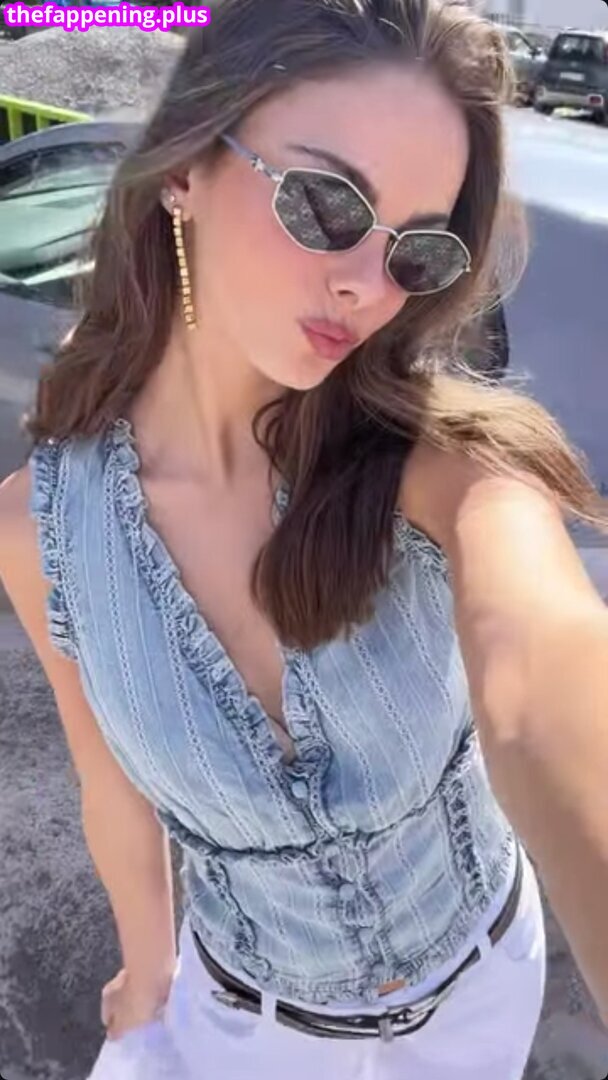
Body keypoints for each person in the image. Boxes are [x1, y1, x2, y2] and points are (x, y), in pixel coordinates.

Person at [1, 2, 608, 1078]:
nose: (368, 286)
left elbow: (541, 684)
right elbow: (112, 784)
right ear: (184, 169)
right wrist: (145, 968)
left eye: (416, 252)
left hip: (479, 996)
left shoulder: (444, 471)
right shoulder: (40, 526)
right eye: (326, 205)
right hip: (241, 1029)